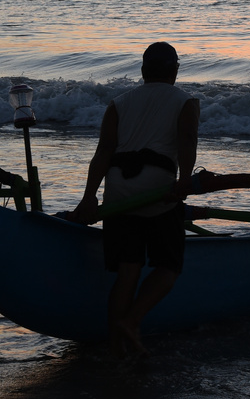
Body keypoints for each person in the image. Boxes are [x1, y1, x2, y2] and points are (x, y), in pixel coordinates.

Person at [71, 42, 200, 355]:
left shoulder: (119, 102)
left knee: (128, 270)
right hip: (157, 190)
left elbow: (104, 152)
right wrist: (184, 182)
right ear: (176, 70)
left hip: (118, 191)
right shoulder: (186, 101)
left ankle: (116, 350)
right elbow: (186, 143)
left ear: (143, 71)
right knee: (168, 268)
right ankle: (131, 321)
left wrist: (89, 197)